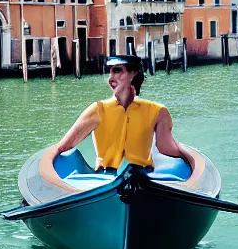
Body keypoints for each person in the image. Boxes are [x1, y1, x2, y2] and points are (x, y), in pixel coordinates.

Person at [52, 55, 196, 173]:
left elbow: (166, 147)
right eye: (110, 72)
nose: (111, 78)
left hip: (144, 176)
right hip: (105, 177)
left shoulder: (158, 111)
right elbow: (64, 146)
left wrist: (194, 159)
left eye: (117, 71)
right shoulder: (98, 109)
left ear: (133, 74)